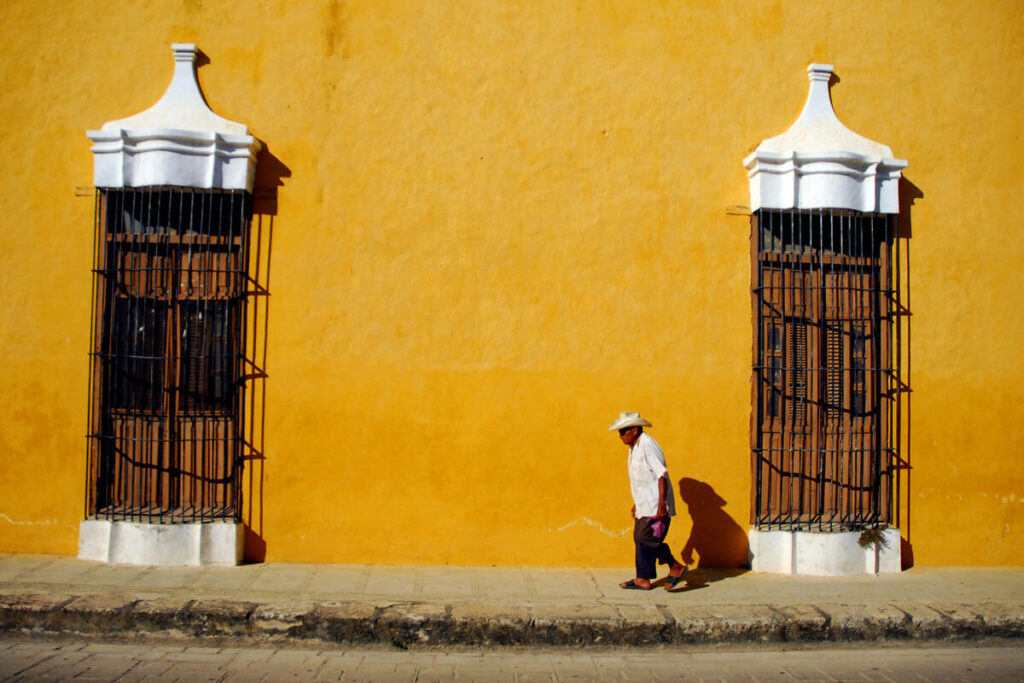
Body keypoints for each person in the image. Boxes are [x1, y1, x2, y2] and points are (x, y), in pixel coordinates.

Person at [609, 411, 689, 590]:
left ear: (635, 430)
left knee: (646, 538)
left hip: (655, 504)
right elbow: (643, 479)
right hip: (644, 504)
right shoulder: (634, 448)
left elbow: (661, 474)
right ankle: (642, 578)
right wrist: (637, 502)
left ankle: (675, 566)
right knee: (639, 538)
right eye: (619, 432)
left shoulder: (647, 444)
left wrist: (661, 505)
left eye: (623, 432)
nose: (620, 436)